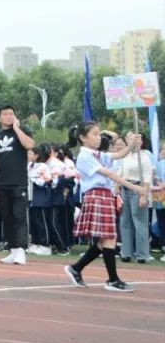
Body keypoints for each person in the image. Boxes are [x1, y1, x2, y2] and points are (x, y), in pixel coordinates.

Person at [64, 122, 151, 292]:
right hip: (96, 195)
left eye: (98, 134)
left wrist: (132, 145)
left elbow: (118, 155)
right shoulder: (84, 156)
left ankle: (77, 268)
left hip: (103, 195)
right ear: (83, 137)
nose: (99, 138)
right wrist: (136, 188)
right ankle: (112, 279)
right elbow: (109, 173)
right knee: (109, 238)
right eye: (94, 134)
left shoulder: (96, 154)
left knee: (104, 241)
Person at [0, 105, 35, 265]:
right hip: (1, 182)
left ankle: (22, 250)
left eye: (11, 114)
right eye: (5, 114)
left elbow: (29, 145)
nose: (9, 116)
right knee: (6, 217)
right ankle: (13, 250)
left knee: (19, 216)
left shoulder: (22, 131)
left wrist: (17, 128)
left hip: (18, 182)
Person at [116, 132, 154, 263]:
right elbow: (121, 173)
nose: (129, 140)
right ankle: (126, 253)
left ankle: (142, 254)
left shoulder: (144, 157)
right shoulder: (126, 156)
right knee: (125, 222)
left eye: (133, 138)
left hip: (138, 189)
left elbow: (147, 177)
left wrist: (144, 195)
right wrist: (117, 188)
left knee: (140, 223)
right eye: (128, 138)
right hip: (125, 189)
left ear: (140, 141)